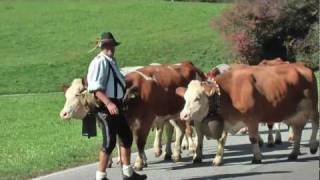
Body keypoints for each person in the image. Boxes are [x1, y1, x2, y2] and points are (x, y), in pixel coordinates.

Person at [87, 32, 147, 180]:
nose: (110, 48)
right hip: (105, 106)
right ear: (101, 46)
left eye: (112, 45)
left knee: (126, 137)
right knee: (109, 142)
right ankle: (100, 177)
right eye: (107, 45)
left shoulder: (111, 61)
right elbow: (95, 88)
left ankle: (127, 173)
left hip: (116, 105)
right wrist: (108, 103)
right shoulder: (100, 62)